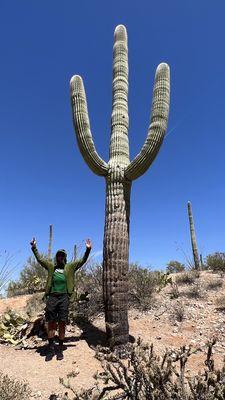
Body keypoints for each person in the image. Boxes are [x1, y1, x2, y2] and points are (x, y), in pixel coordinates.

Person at [30, 237, 92, 361]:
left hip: (64, 297)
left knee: (62, 323)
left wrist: (88, 250)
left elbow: (82, 261)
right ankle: (51, 348)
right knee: (51, 323)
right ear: (56, 257)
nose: (60, 257)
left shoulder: (70, 267)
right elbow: (40, 260)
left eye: (62, 256)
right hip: (52, 297)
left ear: (65, 257)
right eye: (58, 255)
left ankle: (60, 348)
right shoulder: (51, 267)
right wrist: (34, 248)